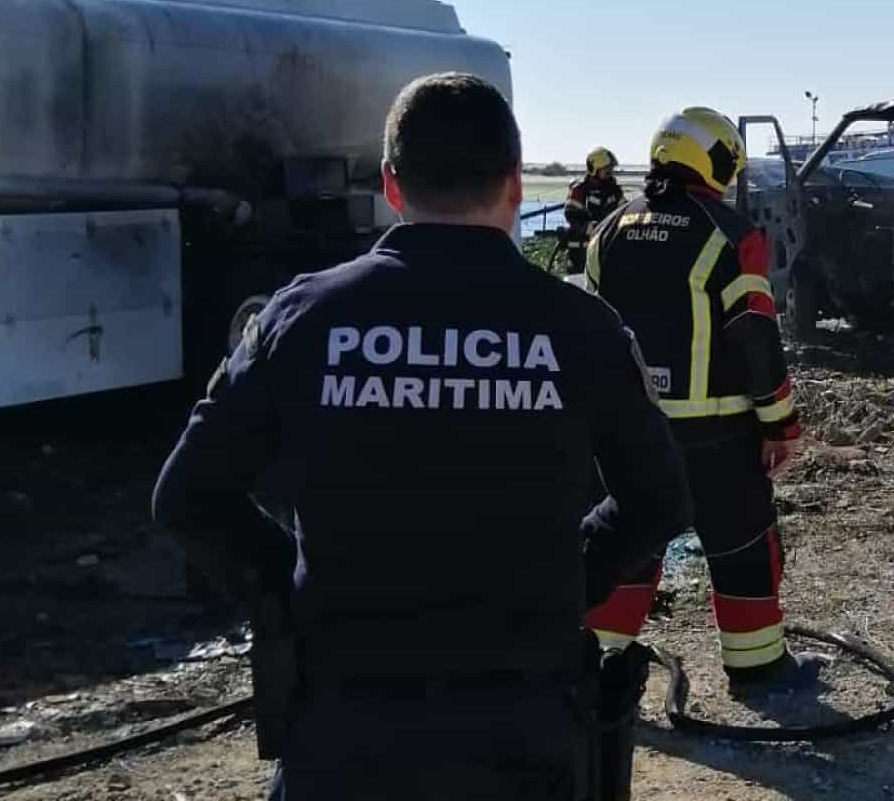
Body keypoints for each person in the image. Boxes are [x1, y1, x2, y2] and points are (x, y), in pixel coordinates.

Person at [152, 73, 691, 800]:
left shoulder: (303, 317)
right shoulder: (579, 328)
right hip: (523, 727)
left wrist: (294, 583)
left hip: (343, 731)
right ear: (511, 185)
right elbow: (658, 500)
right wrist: (570, 574)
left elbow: (187, 497)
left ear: (391, 185)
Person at [578, 107, 822, 694]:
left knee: (626, 547)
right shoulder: (730, 234)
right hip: (715, 434)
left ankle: (596, 662)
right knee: (742, 545)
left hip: (624, 434)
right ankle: (757, 667)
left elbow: (584, 331)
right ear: (720, 162)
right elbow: (755, 337)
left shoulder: (607, 230)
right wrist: (780, 423)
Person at [562, 148, 624, 275]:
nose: (610, 172)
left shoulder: (615, 191)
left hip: (605, 250)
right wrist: (590, 227)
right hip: (580, 253)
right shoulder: (580, 190)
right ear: (594, 169)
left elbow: (624, 213)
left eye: (611, 169)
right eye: (606, 169)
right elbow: (571, 215)